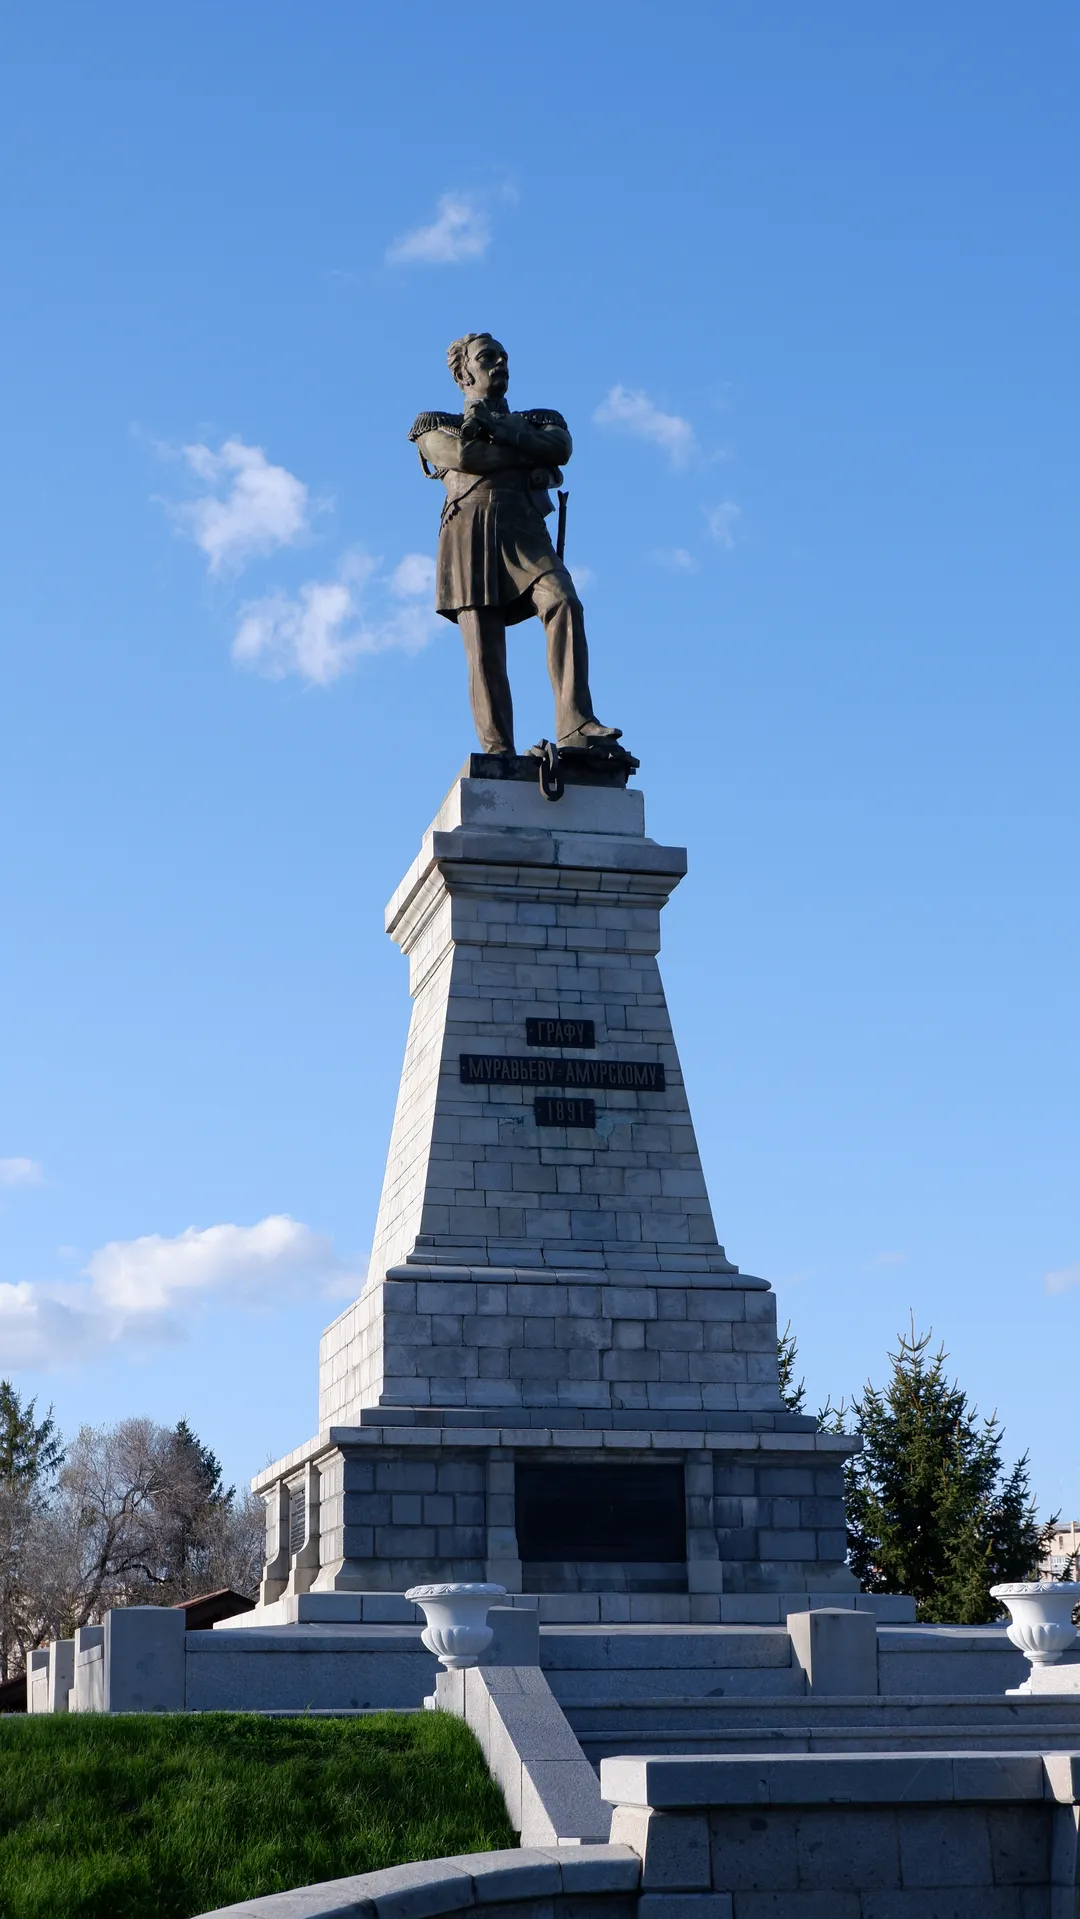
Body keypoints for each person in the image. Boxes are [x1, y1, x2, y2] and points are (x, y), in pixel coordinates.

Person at [410, 333, 623, 756]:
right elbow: (465, 457)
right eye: (488, 357)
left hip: (524, 529)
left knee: (563, 601)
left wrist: (502, 427)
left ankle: (576, 724)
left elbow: (560, 448)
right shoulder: (433, 422)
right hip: (467, 532)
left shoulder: (542, 417)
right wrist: (524, 448)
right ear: (463, 371)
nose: (500, 363)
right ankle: (498, 752)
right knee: (484, 649)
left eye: (504, 356)